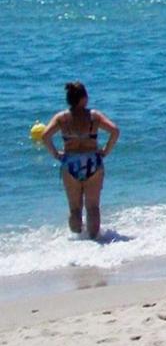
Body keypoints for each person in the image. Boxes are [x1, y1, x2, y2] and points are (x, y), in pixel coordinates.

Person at [41, 82, 120, 240]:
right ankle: (94, 243)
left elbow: (45, 136)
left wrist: (56, 154)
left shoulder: (62, 118)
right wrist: (105, 151)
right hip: (93, 162)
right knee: (92, 207)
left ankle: (78, 243)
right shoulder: (94, 116)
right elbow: (115, 131)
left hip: (70, 163)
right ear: (83, 98)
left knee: (75, 209)